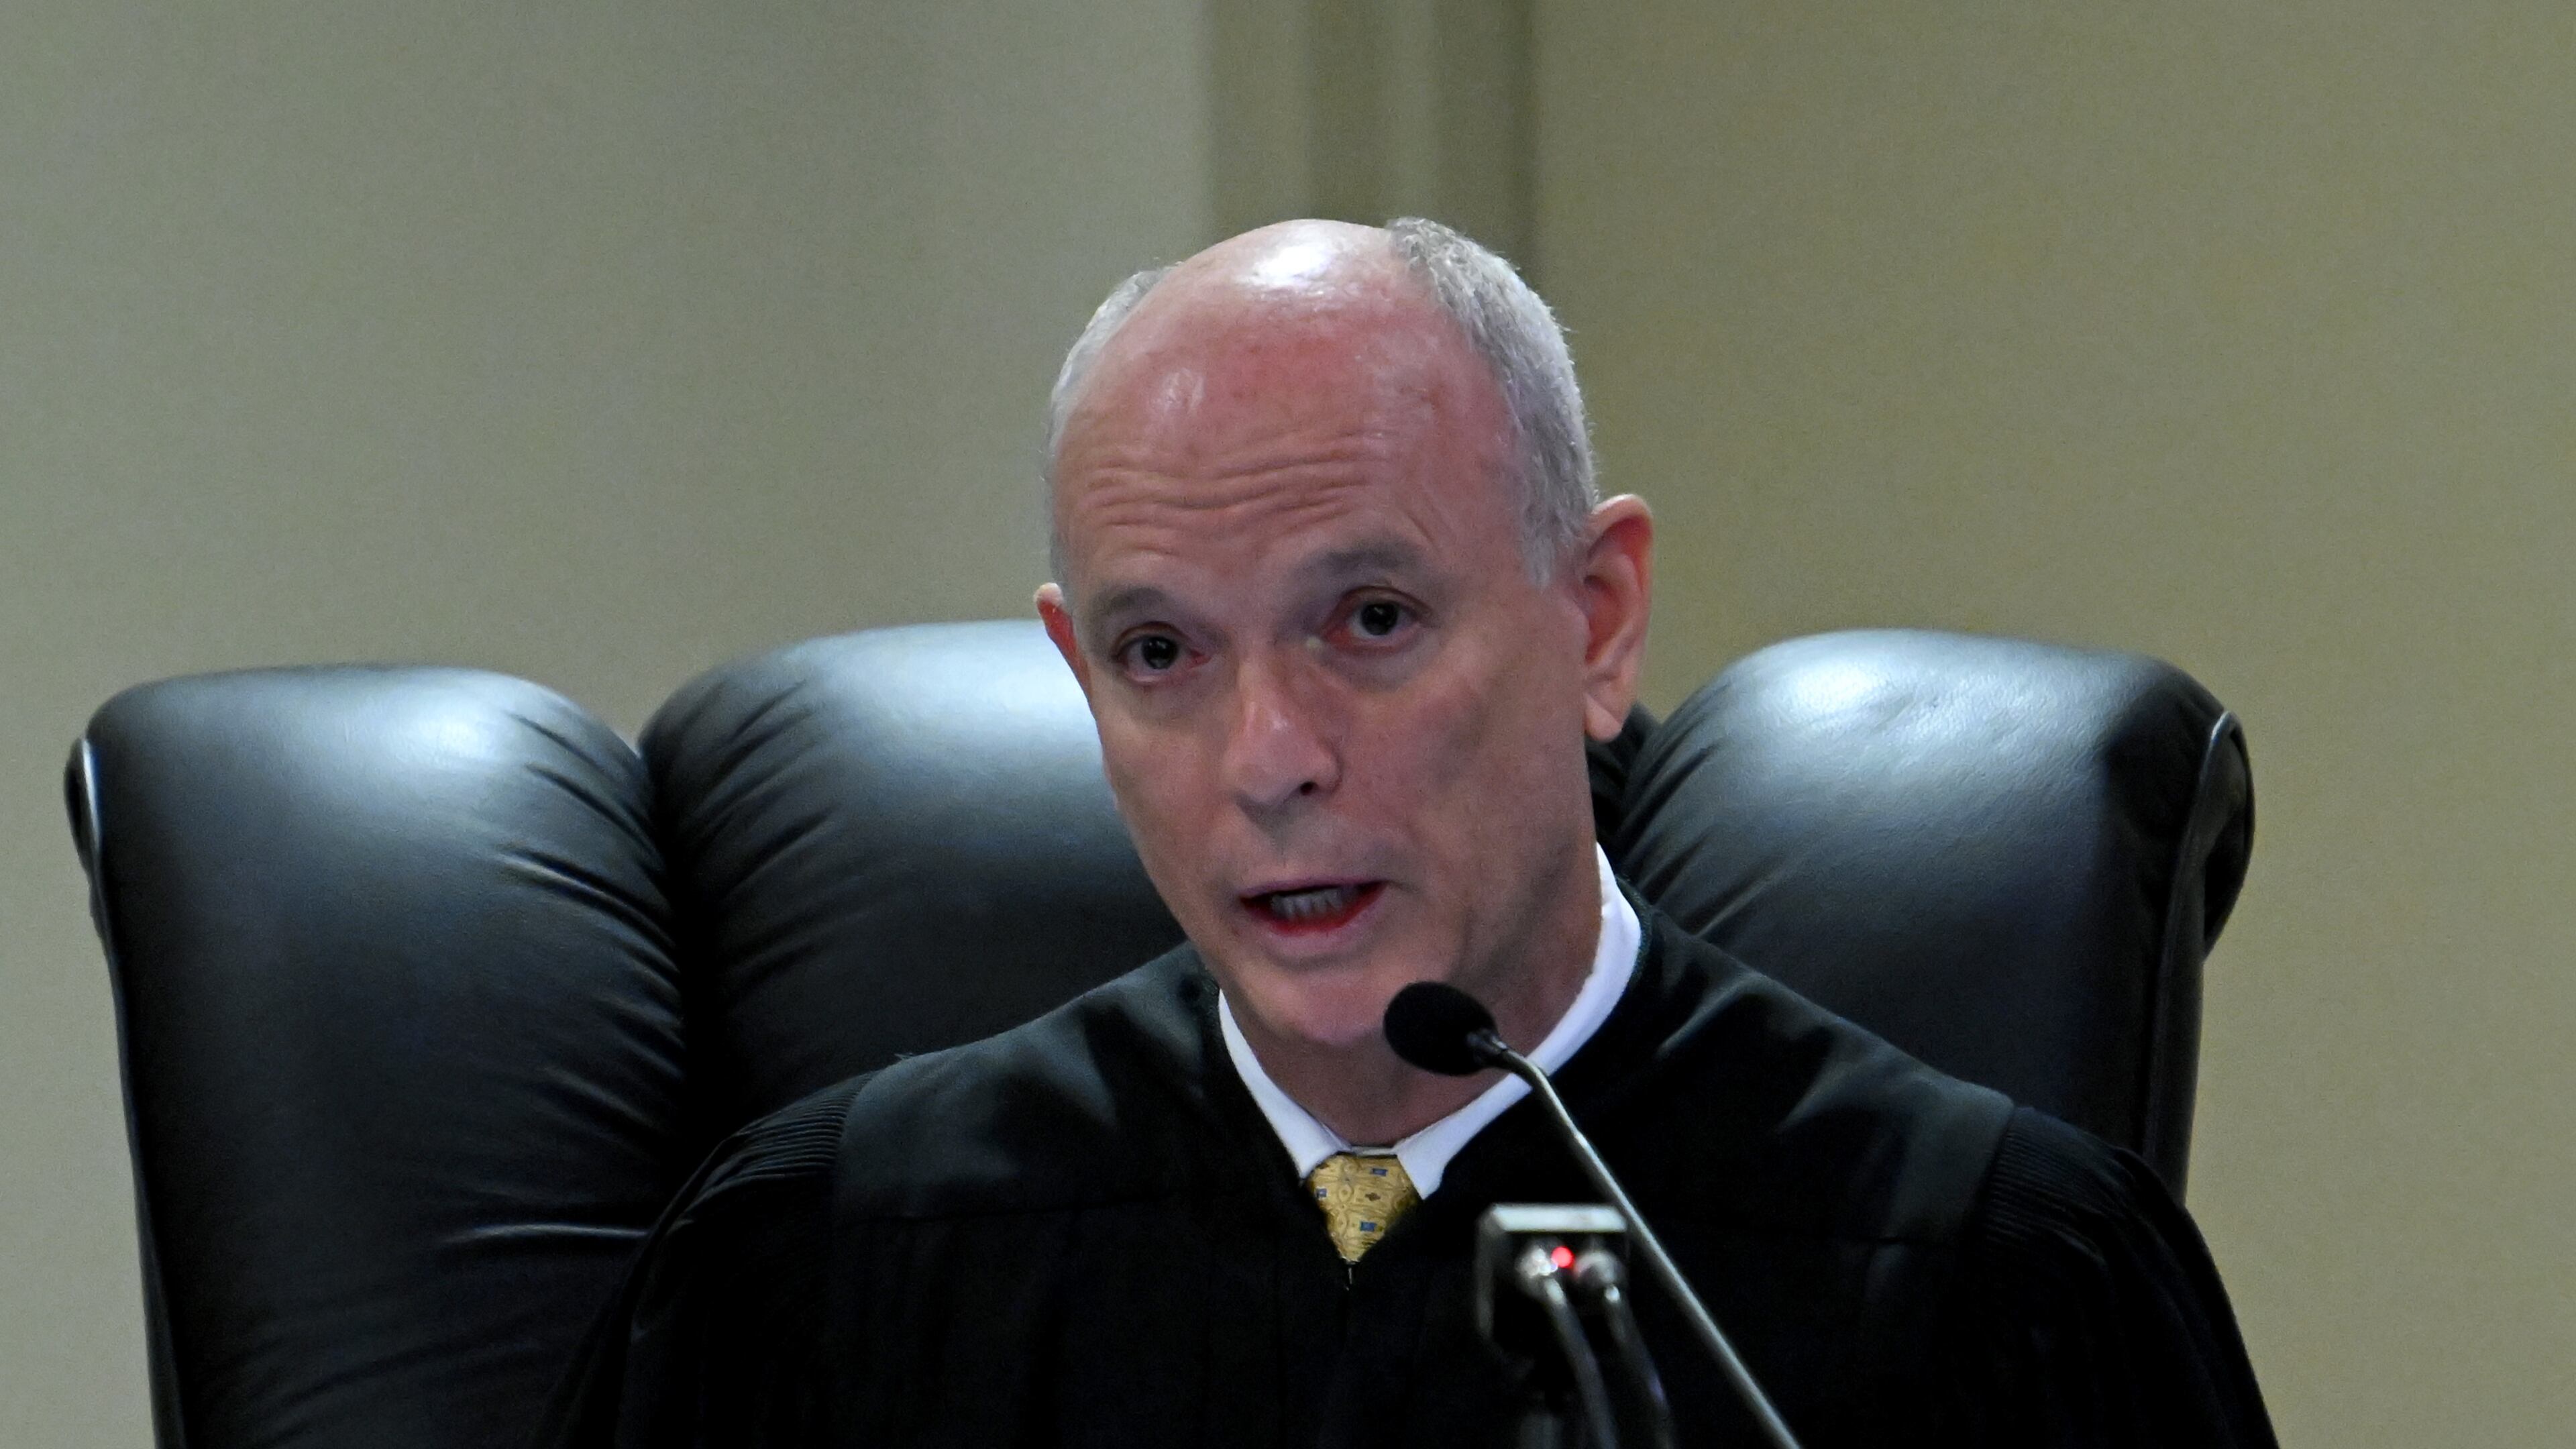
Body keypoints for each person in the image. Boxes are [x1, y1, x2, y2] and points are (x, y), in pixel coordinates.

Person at [537, 218, 2277, 1446]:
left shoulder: (1990, 1278)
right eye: (1162, 656)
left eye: (1368, 621)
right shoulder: (826, 1265)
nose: (1270, 757)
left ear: (1595, 620)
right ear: (1077, 676)